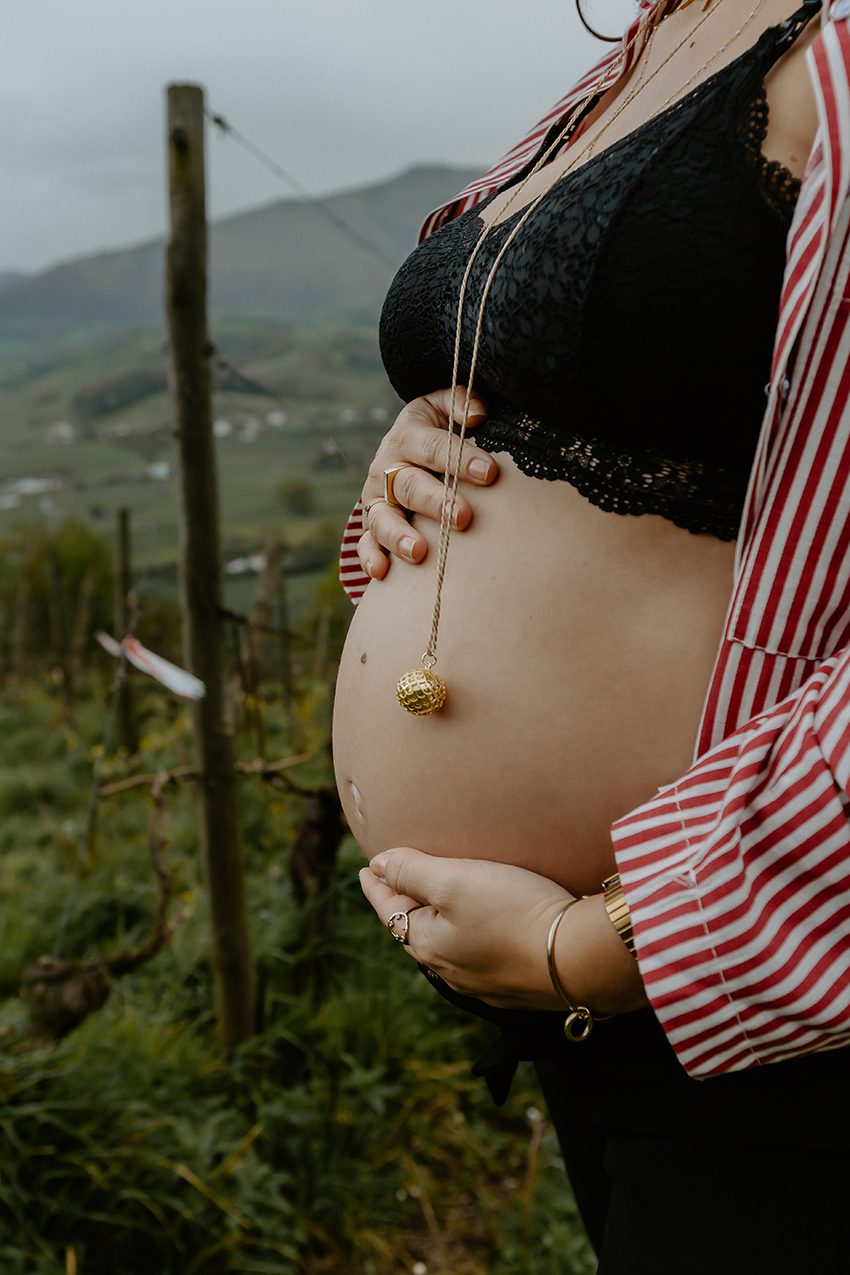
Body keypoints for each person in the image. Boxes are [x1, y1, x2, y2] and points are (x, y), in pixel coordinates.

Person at [332, 0, 850, 1268]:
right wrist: (412, 468)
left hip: (774, 1012)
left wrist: (616, 941)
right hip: (616, 1023)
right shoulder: (640, 56)